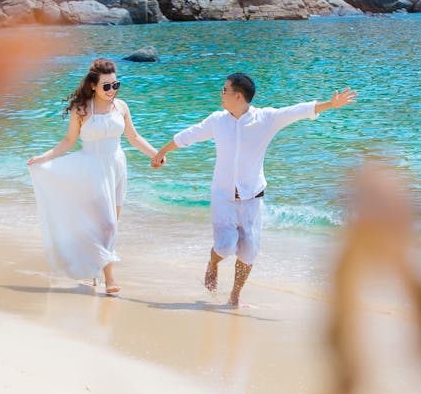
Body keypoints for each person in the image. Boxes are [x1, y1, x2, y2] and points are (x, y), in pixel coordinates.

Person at [151, 73, 357, 308]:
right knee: (225, 247)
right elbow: (189, 135)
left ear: (238, 96)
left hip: (252, 197)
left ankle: (235, 296)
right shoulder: (217, 121)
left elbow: (297, 111)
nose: (221, 94)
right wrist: (162, 152)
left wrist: (331, 104)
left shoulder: (265, 119)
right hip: (223, 196)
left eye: (224, 90)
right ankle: (213, 262)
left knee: (248, 252)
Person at [28, 58, 160, 295]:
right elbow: (68, 141)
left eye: (115, 84)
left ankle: (93, 267)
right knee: (107, 224)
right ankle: (109, 277)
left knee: (111, 225)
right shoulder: (82, 109)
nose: (112, 90)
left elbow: (134, 137)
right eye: (106, 86)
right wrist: (44, 158)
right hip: (91, 170)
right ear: (93, 86)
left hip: (117, 168)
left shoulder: (121, 107)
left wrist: (156, 154)